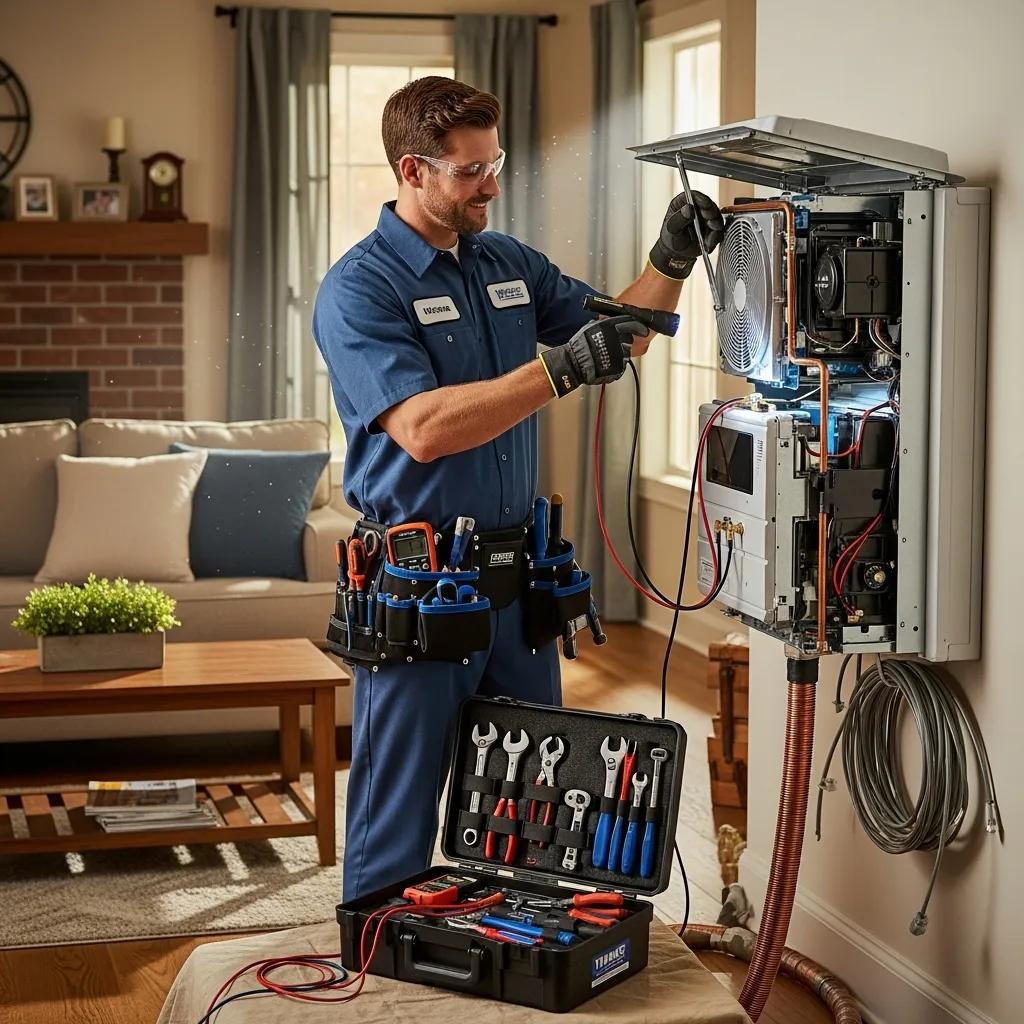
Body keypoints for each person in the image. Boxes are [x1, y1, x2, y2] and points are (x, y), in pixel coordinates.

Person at [312, 76, 723, 901]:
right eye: (470, 171)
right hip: (419, 589)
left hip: (517, 582)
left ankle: (520, 956)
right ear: (413, 170)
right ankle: (376, 957)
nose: (491, 184)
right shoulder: (361, 288)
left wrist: (669, 257)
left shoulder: (507, 263)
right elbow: (424, 428)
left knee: (535, 800)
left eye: (493, 162)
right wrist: (559, 369)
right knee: (400, 806)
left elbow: (622, 337)